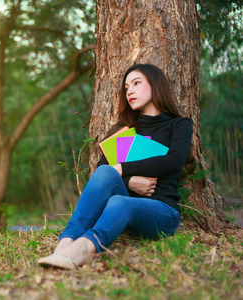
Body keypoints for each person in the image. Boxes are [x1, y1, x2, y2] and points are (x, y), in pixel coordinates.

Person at [38, 64, 193, 270]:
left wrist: (122, 169)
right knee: (106, 175)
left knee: (121, 201)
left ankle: (86, 248)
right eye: (126, 87)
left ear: (156, 85)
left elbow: (174, 161)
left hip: (162, 211)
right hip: (125, 206)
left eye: (136, 83)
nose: (130, 90)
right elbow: (104, 173)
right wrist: (129, 181)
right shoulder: (124, 130)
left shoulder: (179, 124)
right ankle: (66, 243)